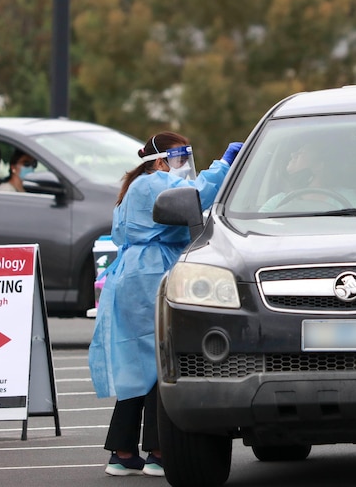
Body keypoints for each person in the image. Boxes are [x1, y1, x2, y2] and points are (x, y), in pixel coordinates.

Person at [88, 132, 242, 476]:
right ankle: (159, 451)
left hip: (132, 275)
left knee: (137, 367)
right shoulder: (152, 184)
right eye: (179, 158)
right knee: (161, 362)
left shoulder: (136, 186)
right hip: (149, 274)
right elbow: (195, 196)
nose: (184, 165)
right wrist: (224, 164)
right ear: (160, 159)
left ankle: (123, 452)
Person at [259, 140, 356, 212]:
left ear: (319, 165)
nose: (292, 154)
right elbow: (259, 226)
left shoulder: (345, 198)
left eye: (301, 153)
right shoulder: (278, 201)